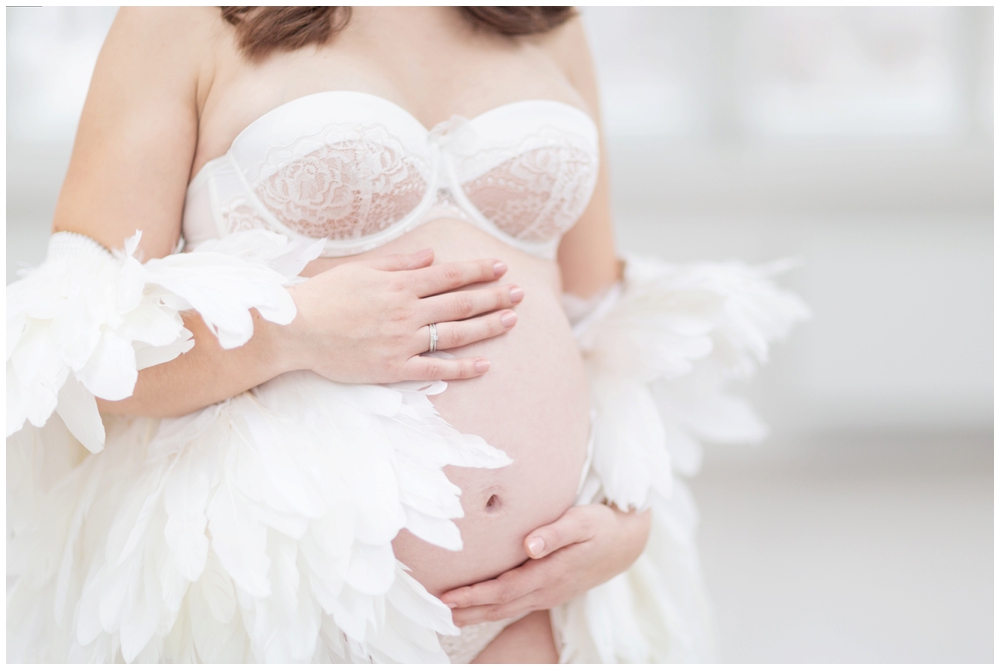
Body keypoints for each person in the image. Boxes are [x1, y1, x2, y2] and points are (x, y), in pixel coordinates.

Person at [5, 7, 808, 663]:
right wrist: (294, 332)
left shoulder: (546, 20)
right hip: (290, 598)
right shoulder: (182, 18)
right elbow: (74, 358)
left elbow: (600, 319)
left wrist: (628, 517)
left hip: (540, 606)